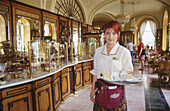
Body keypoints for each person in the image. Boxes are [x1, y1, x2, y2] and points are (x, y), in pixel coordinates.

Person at [90, 20, 133, 111]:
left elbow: (130, 73)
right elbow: (95, 72)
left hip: (116, 93)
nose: (110, 36)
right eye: (108, 33)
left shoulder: (124, 52)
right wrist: (92, 91)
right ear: (104, 34)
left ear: (118, 34)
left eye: (114, 33)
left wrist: (121, 77)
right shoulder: (98, 51)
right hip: (100, 92)